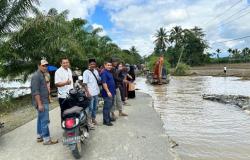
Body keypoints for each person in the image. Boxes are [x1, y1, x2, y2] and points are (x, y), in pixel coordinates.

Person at [31, 59, 58, 145]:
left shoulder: (42, 75)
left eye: (46, 65)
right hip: (41, 102)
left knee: (40, 118)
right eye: (43, 65)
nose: (45, 67)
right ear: (38, 66)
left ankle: (40, 136)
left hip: (44, 100)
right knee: (45, 120)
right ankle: (47, 139)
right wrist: (39, 104)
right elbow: (35, 91)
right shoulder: (36, 76)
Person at [82, 59, 101, 125]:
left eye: (94, 64)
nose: (93, 65)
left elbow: (98, 79)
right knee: (90, 107)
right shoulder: (86, 72)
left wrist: (99, 73)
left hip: (96, 92)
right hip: (90, 93)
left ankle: (93, 119)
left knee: (95, 107)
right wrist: (88, 92)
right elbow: (84, 84)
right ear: (89, 65)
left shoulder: (96, 71)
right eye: (91, 64)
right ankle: (88, 121)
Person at [101, 61, 116, 126]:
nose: (109, 66)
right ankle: (106, 121)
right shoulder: (104, 73)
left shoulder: (109, 72)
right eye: (108, 65)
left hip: (112, 92)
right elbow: (104, 83)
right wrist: (108, 91)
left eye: (110, 65)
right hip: (108, 93)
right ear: (105, 65)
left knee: (109, 106)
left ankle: (108, 118)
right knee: (106, 107)